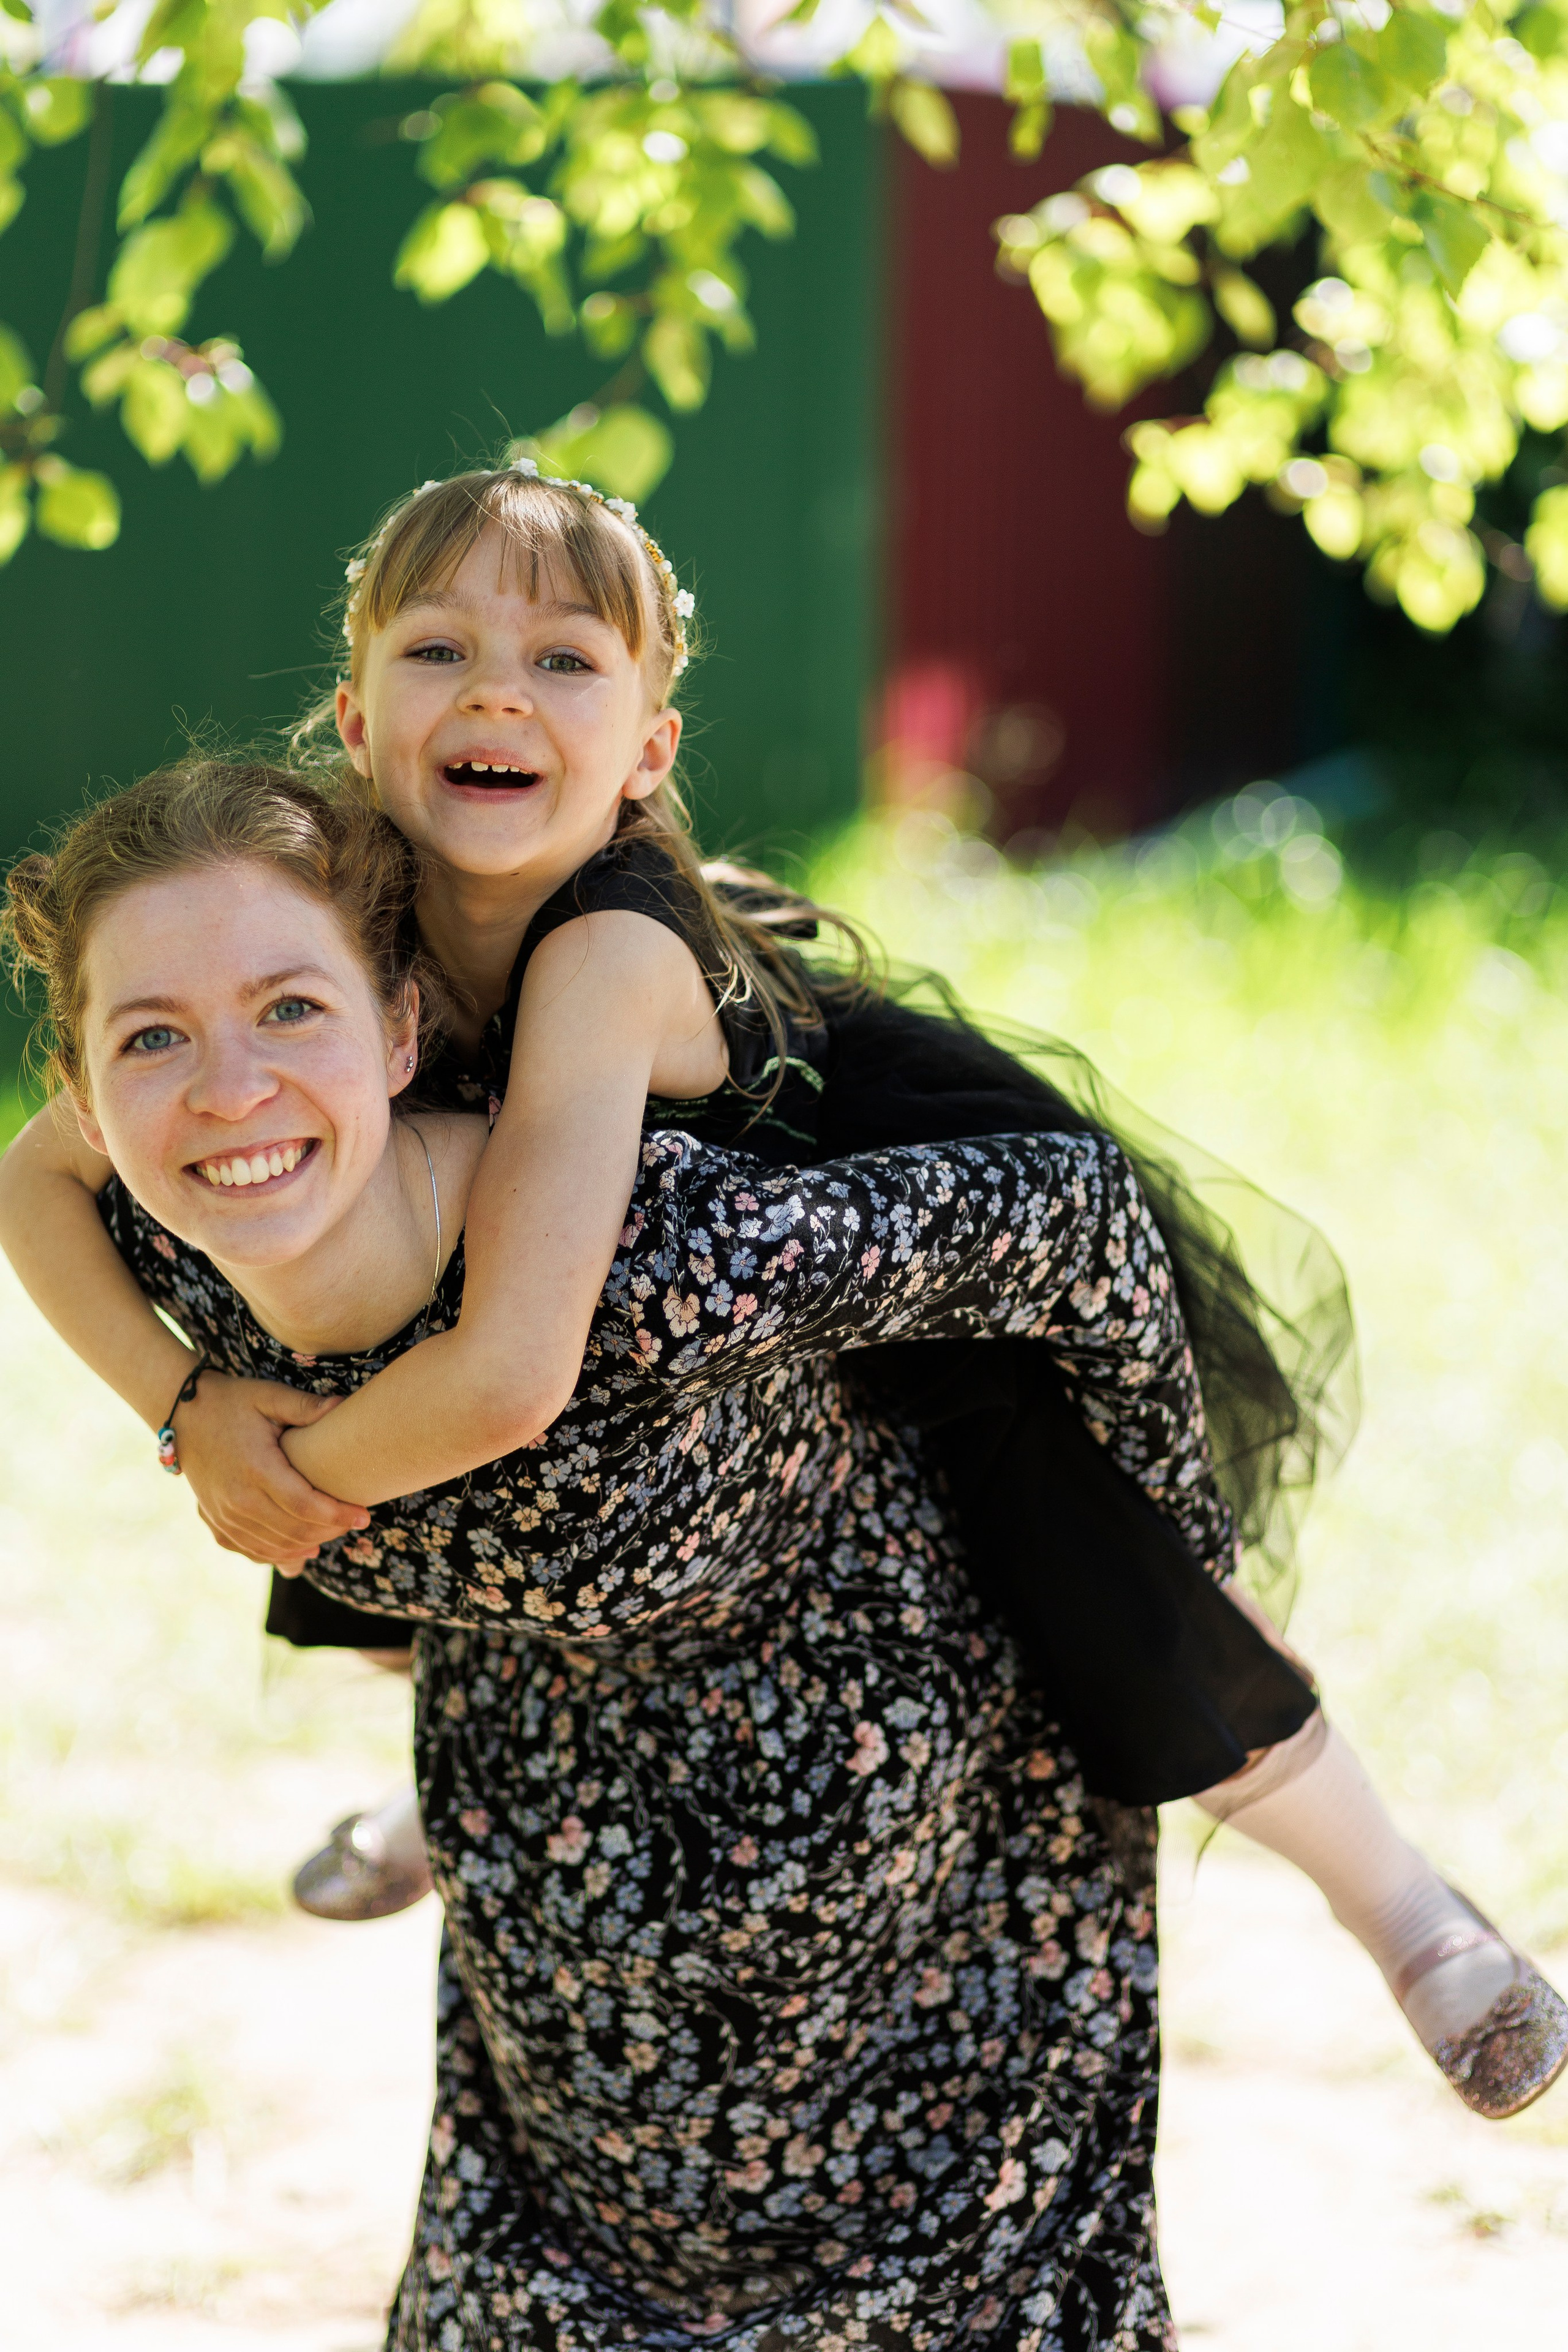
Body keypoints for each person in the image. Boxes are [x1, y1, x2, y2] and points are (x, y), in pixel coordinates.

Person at [0, 467, 1561, 2131]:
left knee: (1089, 1574)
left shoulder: (602, 960)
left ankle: (1406, 1916)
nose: (496, 693)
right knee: (404, 1424)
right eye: (440, 651)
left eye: (566, 663)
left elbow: (512, 1368)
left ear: (648, 752)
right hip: (607, 1318)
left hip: (874, 1252)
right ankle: (433, 1804)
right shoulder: (321, 916)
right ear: (358, 719)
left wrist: (277, 1483)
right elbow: (37, 1174)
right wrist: (186, 1403)